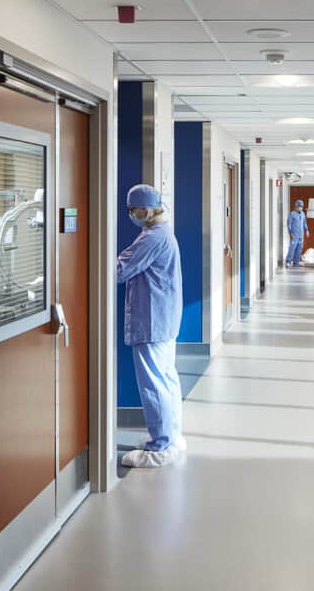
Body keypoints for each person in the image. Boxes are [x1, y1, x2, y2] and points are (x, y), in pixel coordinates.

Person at [116, 184, 185, 469]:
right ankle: (171, 437)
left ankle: (161, 447)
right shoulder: (160, 232)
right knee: (166, 380)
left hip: (153, 321)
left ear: (148, 208)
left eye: (135, 209)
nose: (132, 214)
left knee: (155, 384)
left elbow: (119, 270)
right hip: (162, 319)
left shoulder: (153, 238)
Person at [286, 199, 307, 267]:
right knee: (292, 248)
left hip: (301, 235)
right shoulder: (292, 214)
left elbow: (304, 223)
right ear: (296, 206)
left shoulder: (303, 213)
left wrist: (307, 230)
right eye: (299, 206)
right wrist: (290, 232)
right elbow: (289, 224)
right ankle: (288, 261)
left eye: (301, 206)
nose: (300, 208)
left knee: (299, 249)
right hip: (295, 234)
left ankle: (296, 262)